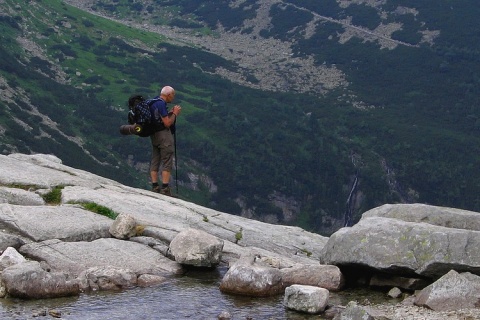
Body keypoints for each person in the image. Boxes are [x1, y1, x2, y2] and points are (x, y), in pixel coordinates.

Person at [149, 86, 181, 196]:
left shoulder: (153, 102)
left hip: (154, 135)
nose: (173, 97)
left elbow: (159, 118)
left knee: (155, 158)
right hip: (163, 135)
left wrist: (170, 113)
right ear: (168, 95)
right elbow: (167, 123)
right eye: (173, 95)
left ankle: (154, 186)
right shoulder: (161, 104)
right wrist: (175, 114)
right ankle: (165, 188)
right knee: (167, 158)